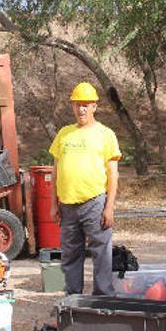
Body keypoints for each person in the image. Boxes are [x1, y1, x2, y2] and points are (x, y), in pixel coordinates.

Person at [49, 81, 121, 296]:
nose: (81, 109)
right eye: (77, 104)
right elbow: (55, 171)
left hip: (94, 202)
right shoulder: (64, 134)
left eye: (86, 105)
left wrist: (109, 207)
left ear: (94, 107)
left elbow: (113, 174)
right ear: (72, 106)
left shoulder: (105, 134)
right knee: (70, 254)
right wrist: (54, 203)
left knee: (101, 253)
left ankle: (102, 299)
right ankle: (73, 299)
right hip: (68, 205)